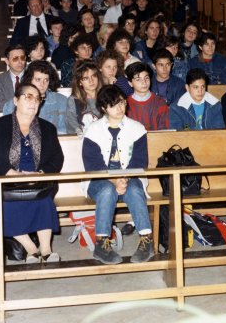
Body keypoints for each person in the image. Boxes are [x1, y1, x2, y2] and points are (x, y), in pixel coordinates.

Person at [0, 83, 64, 263]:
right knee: (1, 205)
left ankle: (47, 250)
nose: (34, 102)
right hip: (5, 179)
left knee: (44, 200)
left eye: (37, 98)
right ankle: (31, 248)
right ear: (16, 100)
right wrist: (11, 173)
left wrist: (41, 173)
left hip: (37, 180)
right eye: (28, 97)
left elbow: (57, 158)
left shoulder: (48, 128)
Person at [82, 85, 154, 265]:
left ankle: (147, 241)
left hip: (130, 178)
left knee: (135, 190)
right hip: (99, 181)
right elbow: (93, 164)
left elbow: (139, 160)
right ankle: (101, 245)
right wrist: (114, 180)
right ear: (104, 108)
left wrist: (124, 179)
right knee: (107, 190)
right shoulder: (93, 130)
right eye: (114, 105)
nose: (120, 108)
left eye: (122, 103)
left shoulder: (137, 128)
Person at [3, 60, 68, 134]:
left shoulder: (61, 101)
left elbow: (64, 130)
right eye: (38, 80)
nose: (42, 84)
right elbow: (9, 132)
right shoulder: (11, 105)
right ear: (29, 80)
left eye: (46, 80)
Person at [125, 62, 169, 131]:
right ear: (130, 83)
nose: (144, 82)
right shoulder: (125, 104)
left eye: (146, 78)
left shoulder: (161, 103)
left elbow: (164, 131)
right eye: (138, 79)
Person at [66, 60, 102, 135]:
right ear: (80, 82)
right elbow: (72, 122)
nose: (91, 81)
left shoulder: (106, 96)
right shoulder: (74, 100)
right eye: (86, 78)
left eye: (94, 76)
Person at [0, 44, 27, 111]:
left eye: (22, 58)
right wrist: (23, 104)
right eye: (15, 58)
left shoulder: (32, 77)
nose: (20, 62)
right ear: (7, 61)